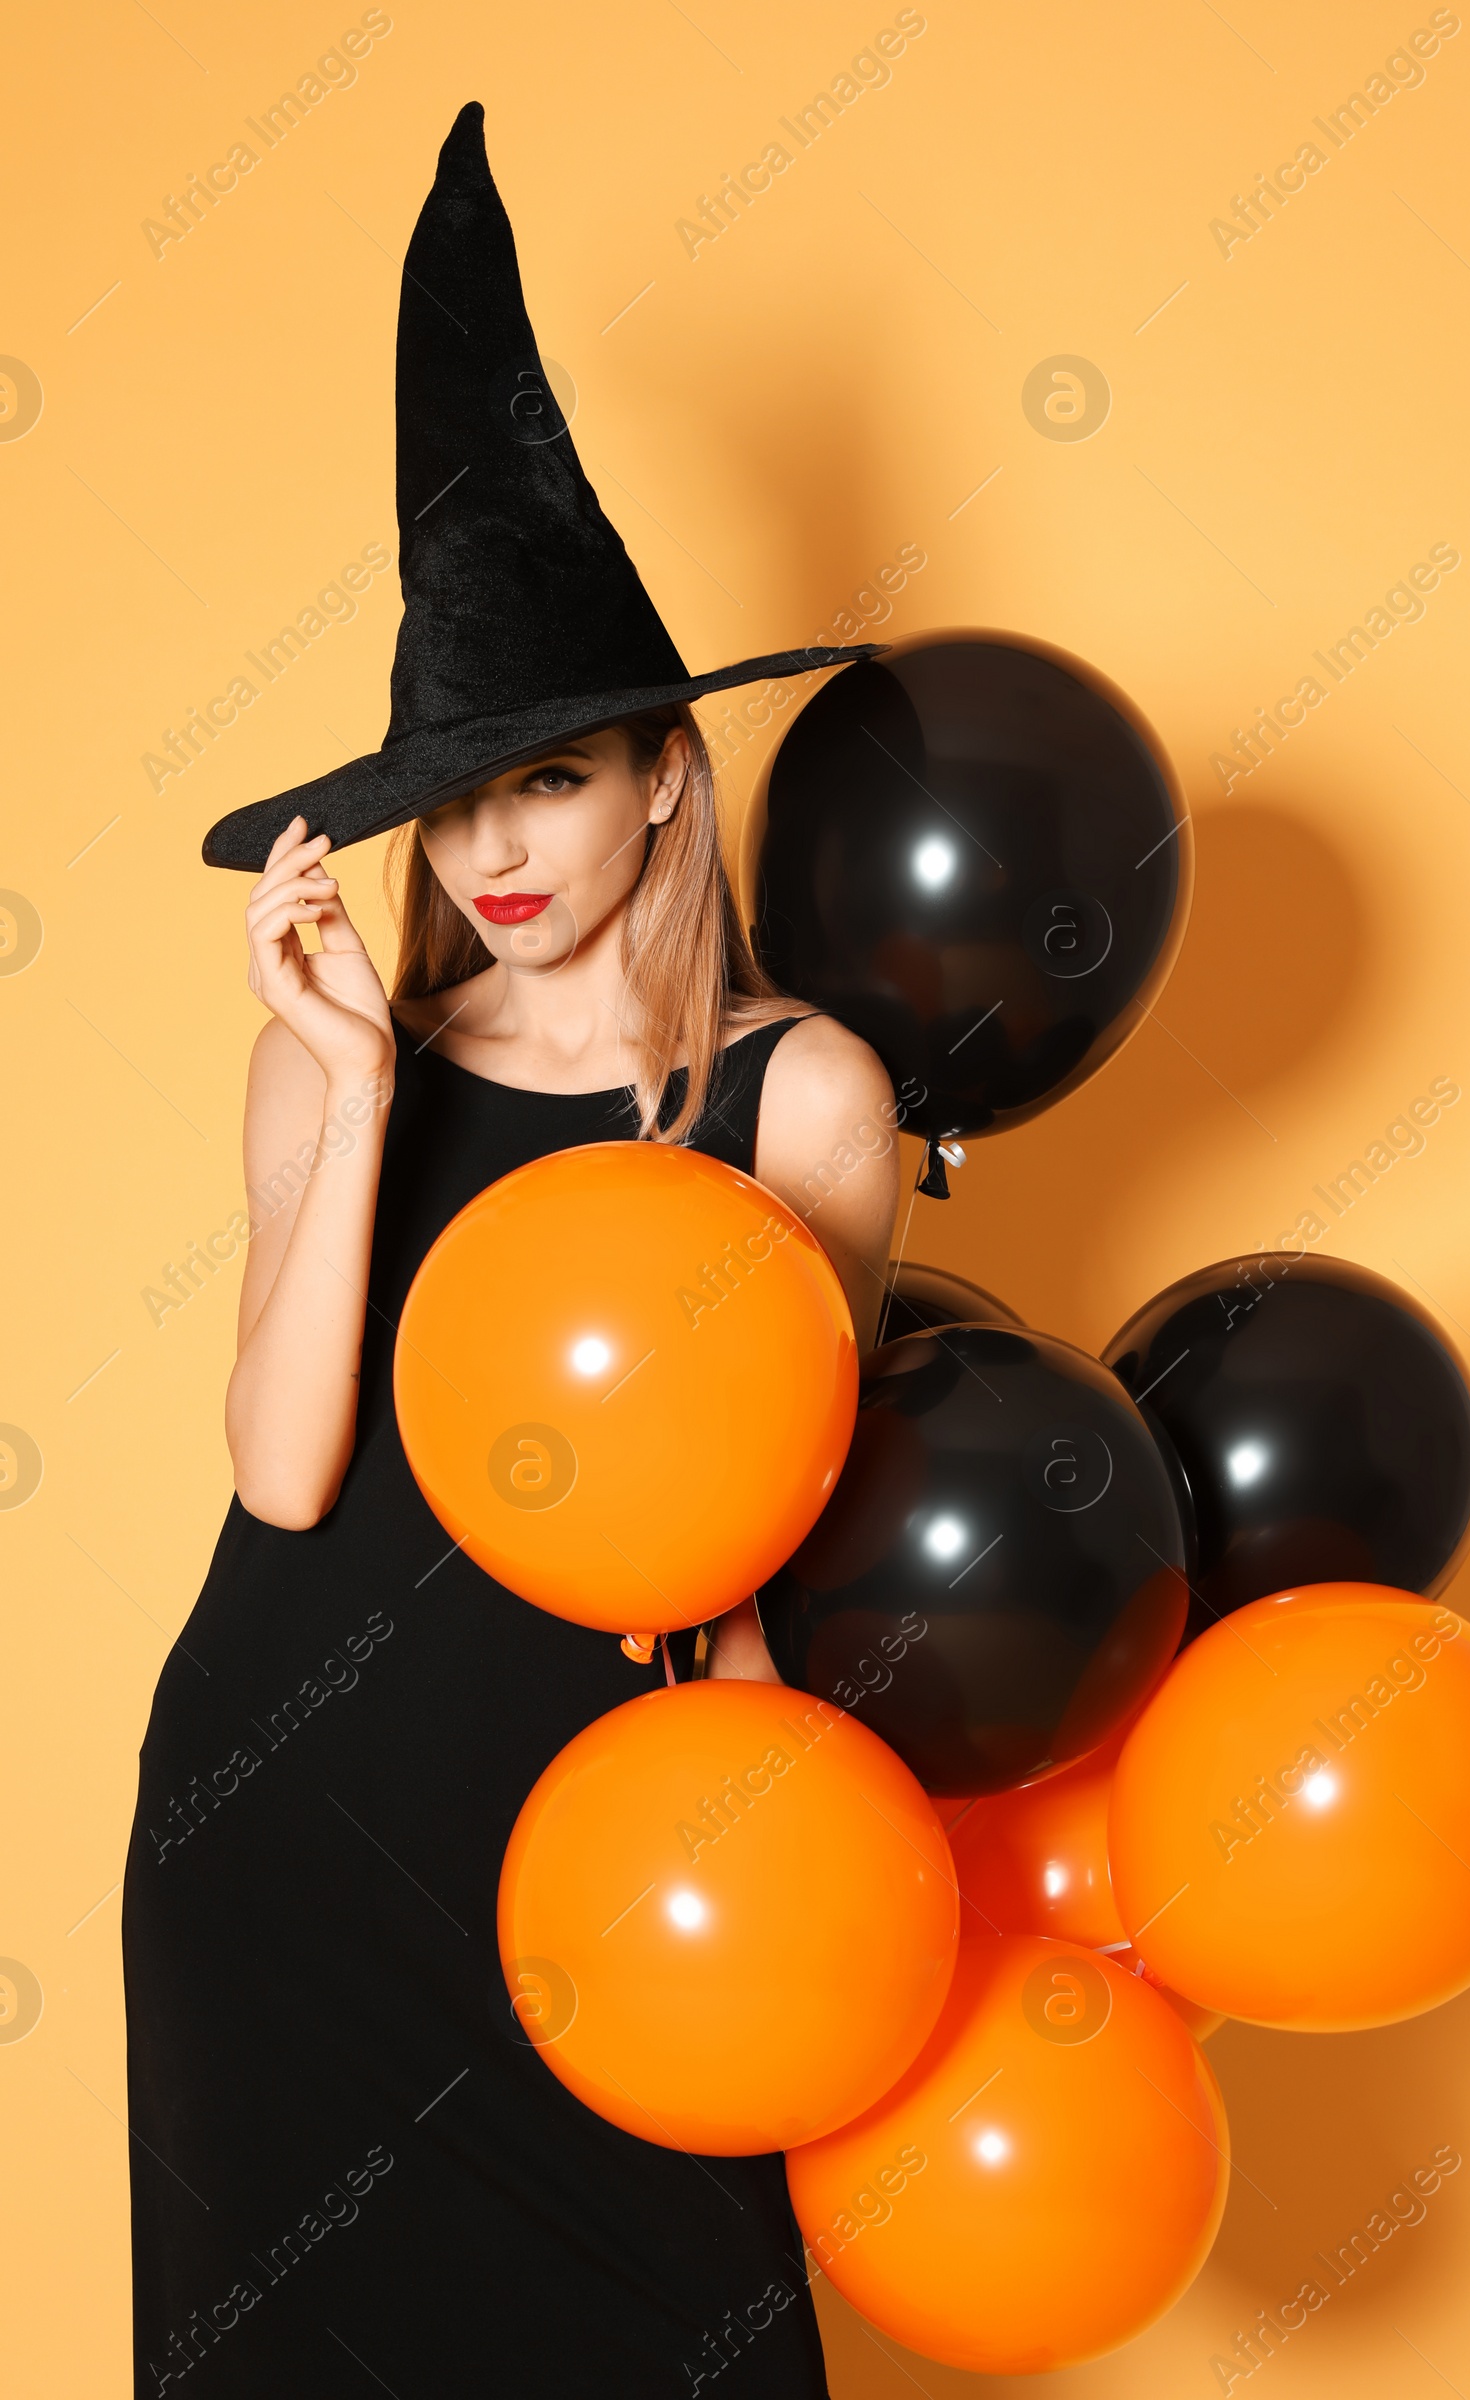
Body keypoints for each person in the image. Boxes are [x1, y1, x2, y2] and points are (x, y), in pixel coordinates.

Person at [123, 103, 895, 2396]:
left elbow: (774, 1550)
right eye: (451, 799)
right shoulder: (337, 1055)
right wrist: (357, 1086)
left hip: (615, 1864)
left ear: (667, 771)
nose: (493, 847)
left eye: (546, 776)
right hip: (288, 1836)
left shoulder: (803, 1099)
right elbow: (282, 1474)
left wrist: (790, 1911)